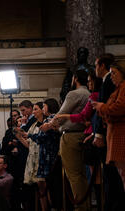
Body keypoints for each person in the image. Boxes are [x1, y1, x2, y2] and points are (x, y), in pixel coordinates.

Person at [49, 69, 91, 211]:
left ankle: (81, 207)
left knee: (73, 174)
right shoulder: (89, 94)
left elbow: (61, 115)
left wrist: (50, 125)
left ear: (75, 78)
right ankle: (86, 205)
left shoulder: (74, 93)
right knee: (82, 175)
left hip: (71, 136)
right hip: (84, 135)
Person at [92, 60, 125, 192]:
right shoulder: (119, 88)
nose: (111, 77)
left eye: (114, 73)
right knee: (122, 176)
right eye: (110, 74)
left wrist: (102, 107)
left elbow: (120, 108)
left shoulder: (123, 87)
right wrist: (104, 110)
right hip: (115, 133)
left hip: (120, 134)